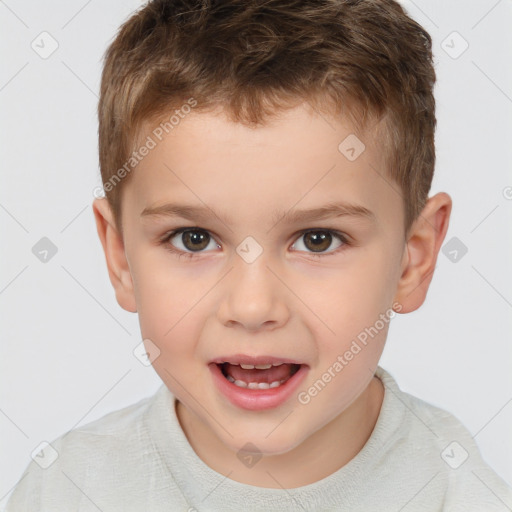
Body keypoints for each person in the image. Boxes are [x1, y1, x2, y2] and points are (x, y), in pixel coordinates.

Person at [7, 0, 512, 510]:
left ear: (413, 259)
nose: (252, 307)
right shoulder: (65, 491)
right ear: (120, 257)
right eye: (194, 239)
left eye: (318, 239)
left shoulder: (462, 497)